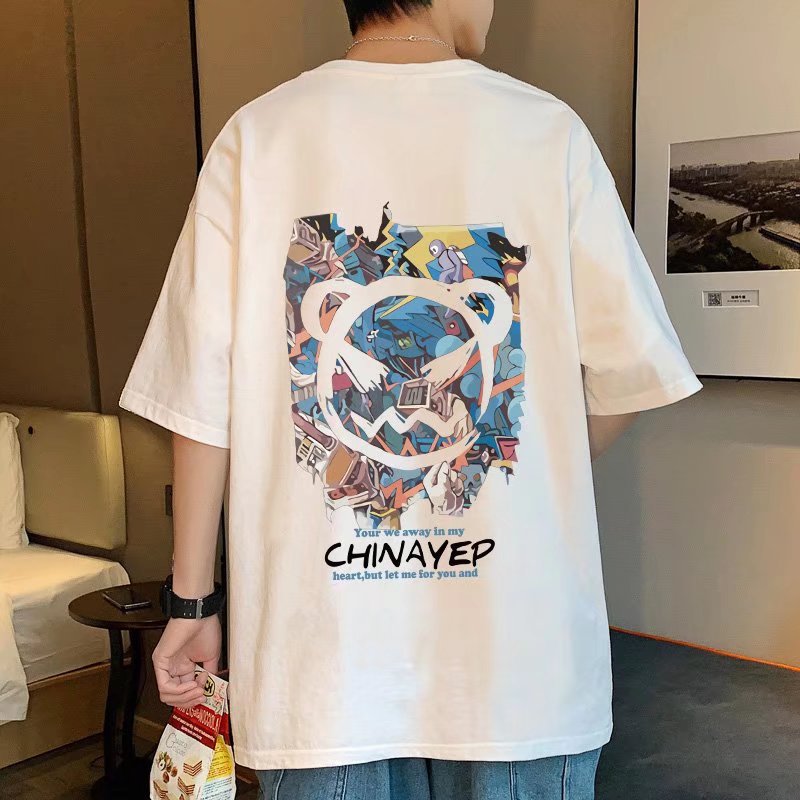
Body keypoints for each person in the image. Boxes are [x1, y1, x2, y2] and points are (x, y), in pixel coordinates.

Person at [119, 0, 703, 797]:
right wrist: (518, 467)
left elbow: (198, 401)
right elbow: (629, 374)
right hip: (520, 667)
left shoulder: (256, 137)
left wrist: (191, 601)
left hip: (323, 669)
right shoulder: (547, 133)